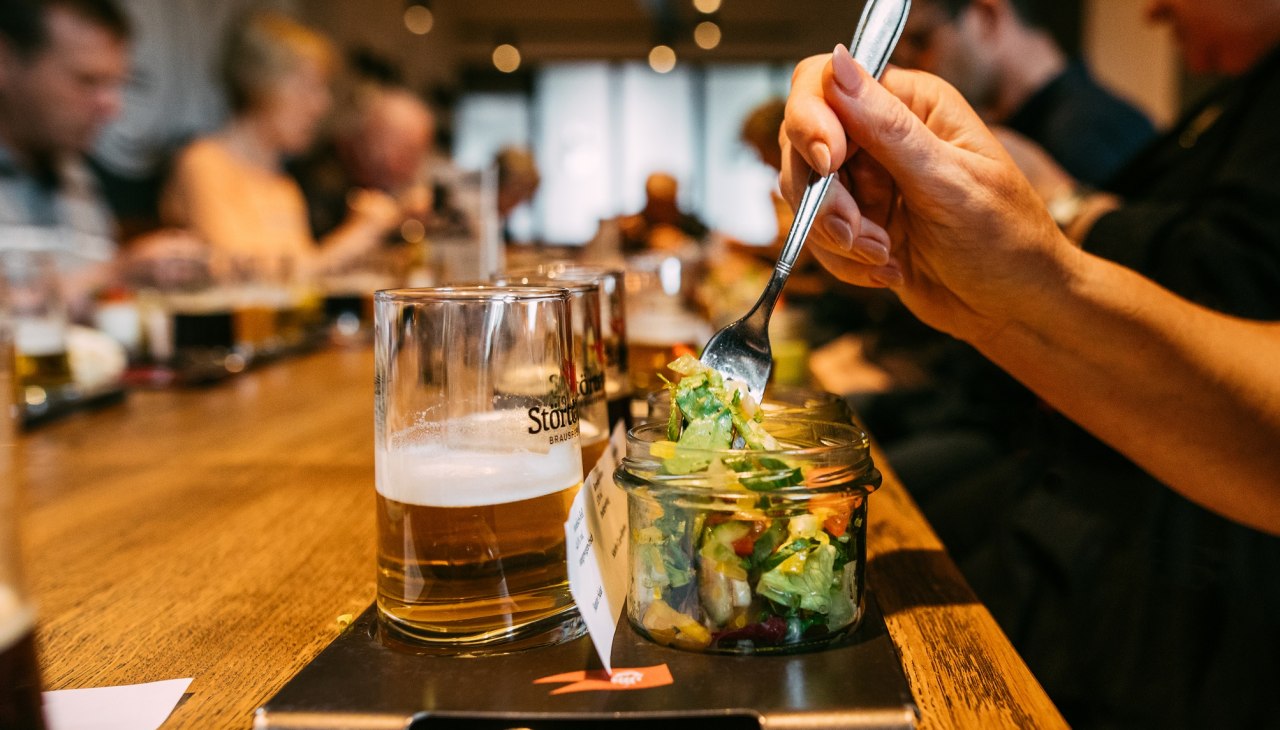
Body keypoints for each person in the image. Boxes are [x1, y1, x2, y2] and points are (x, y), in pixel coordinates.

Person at [781, 36, 1280, 730]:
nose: (1154, 13)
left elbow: (1225, 282)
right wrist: (1005, 300)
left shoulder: (1089, 124)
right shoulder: (1245, 93)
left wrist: (1059, 222)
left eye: (927, 35)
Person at [161, 11, 401, 277]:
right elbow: (242, 279)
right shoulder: (203, 164)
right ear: (260, 86)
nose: (321, 105)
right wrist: (358, 234)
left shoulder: (282, 184)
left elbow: (301, 285)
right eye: (308, 87)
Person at [893, 0, 1155, 186]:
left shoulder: (1086, 133)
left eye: (921, 40)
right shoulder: (1066, 124)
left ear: (987, 18)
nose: (909, 67)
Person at [0, 0, 129, 310]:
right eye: (87, 80)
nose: (111, 105)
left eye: (115, 84)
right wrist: (120, 272)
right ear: (3, 62)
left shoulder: (77, 176)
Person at [290, 80, 434, 242]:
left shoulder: (368, 173)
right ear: (375, 138)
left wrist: (401, 219)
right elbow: (313, 258)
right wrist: (374, 225)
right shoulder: (320, 178)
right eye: (409, 152)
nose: (412, 168)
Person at [617, 172, 709, 255]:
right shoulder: (635, 226)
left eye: (666, 203)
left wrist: (683, 243)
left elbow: (708, 244)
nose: (662, 210)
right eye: (657, 203)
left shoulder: (689, 223)